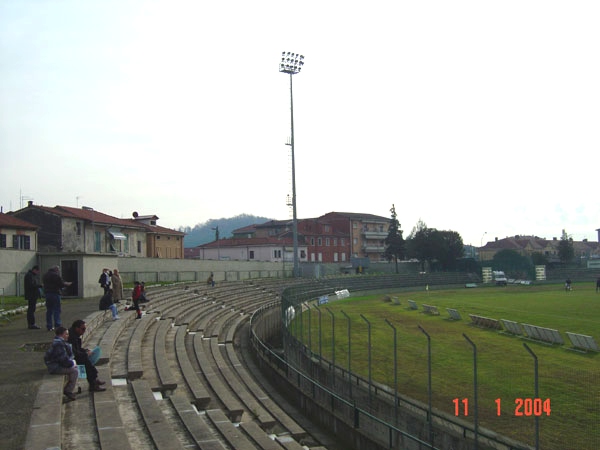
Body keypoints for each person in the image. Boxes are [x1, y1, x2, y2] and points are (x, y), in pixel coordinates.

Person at [68, 320, 106, 392]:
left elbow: (77, 349)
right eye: (83, 329)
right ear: (77, 328)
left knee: (86, 360)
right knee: (85, 361)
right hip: (70, 359)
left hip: (74, 357)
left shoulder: (74, 335)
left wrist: (85, 351)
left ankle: (94, 381)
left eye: (85, 329)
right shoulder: (71, 337)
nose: (84, 331)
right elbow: (74, 352)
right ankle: (93, 383)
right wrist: (85, 353)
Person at [44, 326, 79, 401]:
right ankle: (68, 390)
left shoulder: (59, 342)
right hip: (54, 367)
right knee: (75, 371)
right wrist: (72, 363)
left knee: (75, 367)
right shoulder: (58, 344)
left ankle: (71, 389)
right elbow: (63, 360)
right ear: (61, 335)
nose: (68, 336)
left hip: (55, 364)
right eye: (66, 334)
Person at [42, 266, 72, 331]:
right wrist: (67, 284)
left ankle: (49, 326)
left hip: (47, 294)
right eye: (58, 270)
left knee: (49, 310)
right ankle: (57, 325)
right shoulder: (56, 275)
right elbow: (61, 284)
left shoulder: (45, 275)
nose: (59, 271)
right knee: (56, 310)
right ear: (56, 270)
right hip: (55, 293)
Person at [24, 265, 42, 329]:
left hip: (32, 295)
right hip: (31, 295)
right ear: (34, 270)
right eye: (37, 271)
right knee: (31, 310)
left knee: (31, 309)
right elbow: (31, 285)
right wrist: (39, 285)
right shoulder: (30, 275)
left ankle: (31, 323)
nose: (37, 273)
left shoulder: (31, 275)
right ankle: (32, 324)